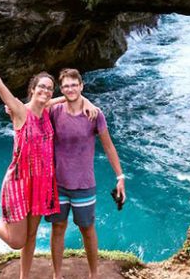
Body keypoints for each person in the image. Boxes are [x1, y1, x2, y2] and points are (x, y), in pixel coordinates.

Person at [0, 31, 96, 279]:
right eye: (41, 86)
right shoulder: (19, 111)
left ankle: (24, 277)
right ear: (32, 89)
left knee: (32, 237)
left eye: (49, 88)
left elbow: (64, 98)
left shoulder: (47, 111)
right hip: (20, 182)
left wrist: (85, 101)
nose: (45, 91)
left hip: (41, 184)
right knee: (16, 241)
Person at [47, 68, 126, 279]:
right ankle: (57, 275)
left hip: (83, 184)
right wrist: (69, 99)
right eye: (66, 86)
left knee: (87, 230)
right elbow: (39, 105)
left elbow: (108, 147)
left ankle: (94, 274)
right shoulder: (55, 111)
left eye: (74, 85)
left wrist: (120, 177)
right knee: (58, 228)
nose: (70, 89)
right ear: (61, 89)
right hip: (57, 183)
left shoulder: (94, 114)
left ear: (82, 86)